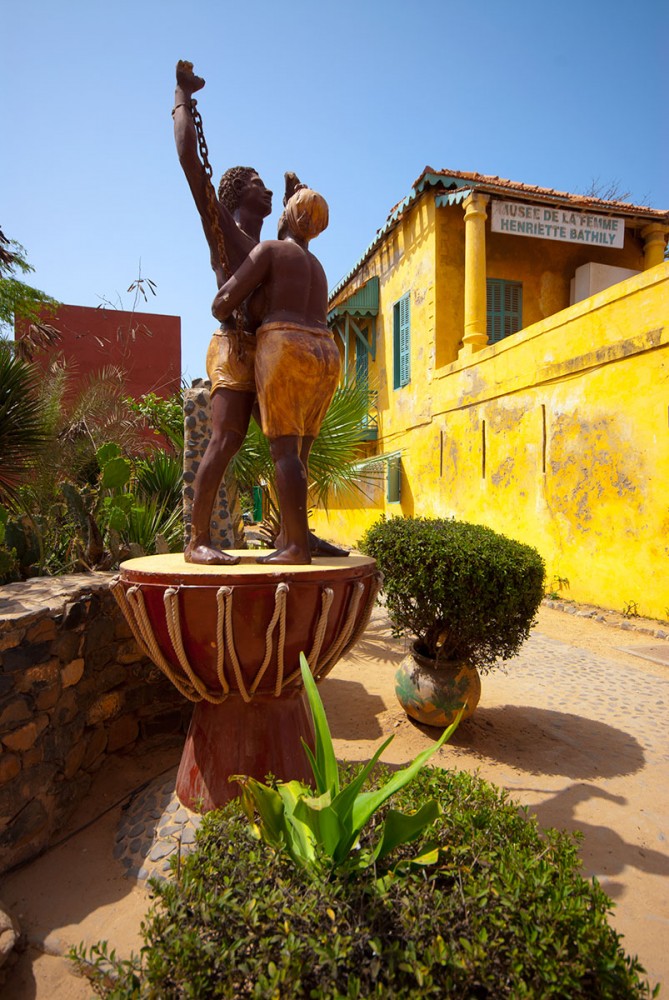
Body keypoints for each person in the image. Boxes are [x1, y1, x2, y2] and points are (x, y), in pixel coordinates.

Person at [212, 189, 340, 565]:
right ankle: (296, 534)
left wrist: (239, 302)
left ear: (286, 217)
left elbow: (222, 302)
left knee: (283, 451)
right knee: (301, 452)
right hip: (326, 351)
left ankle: (296, 547)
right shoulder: (318, 267)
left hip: (286, 344)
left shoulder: (269, 250)